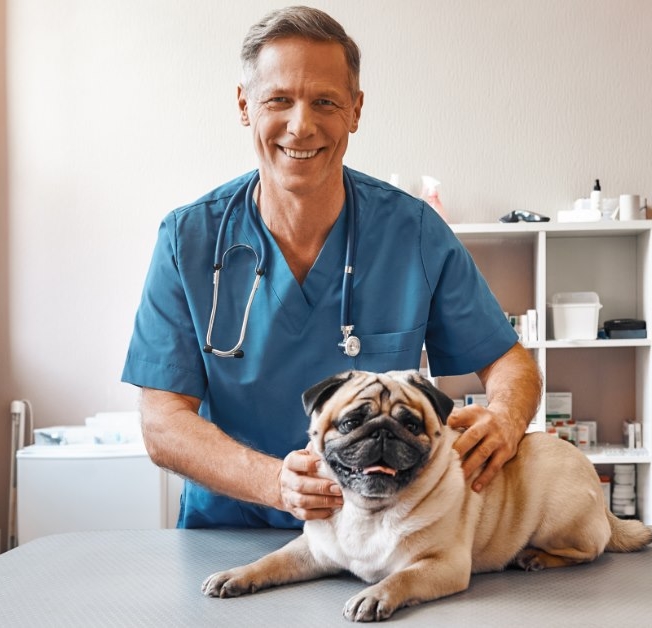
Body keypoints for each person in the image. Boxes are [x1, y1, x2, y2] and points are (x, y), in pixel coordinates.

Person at [122, 5, 541, 528]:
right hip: (230, 536)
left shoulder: (414, 234)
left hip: (378, 538)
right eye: (279, 99)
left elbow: (509, 362)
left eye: (325, 101)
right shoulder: (188, 240)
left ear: (355, 111)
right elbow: (162, 422)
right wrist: (275, 483)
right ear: (245, 105)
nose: (302, 126)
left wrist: (505, 418)